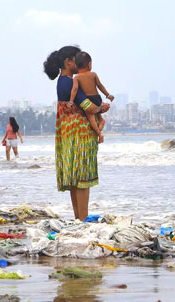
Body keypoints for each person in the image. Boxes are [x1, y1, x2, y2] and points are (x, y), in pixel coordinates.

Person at [44, 45, 111, 221]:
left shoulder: (63, 81)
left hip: (69, 134)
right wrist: (101, 108)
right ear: (68, 62)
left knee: (76, 180)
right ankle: (83, 220)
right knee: (83, 179)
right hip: (80, 134)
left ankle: (79, 219)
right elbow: (86, 105)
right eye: (76, 58)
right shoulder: (69, 82)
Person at [70, 51, 112, 143]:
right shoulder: (93, 74)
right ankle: (101, 120)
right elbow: (100, 86)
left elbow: (75, 89)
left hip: (88, 100)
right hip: (97, 98)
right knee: (97, 111)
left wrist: (71, 101)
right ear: (89, 64)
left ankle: (99, 134)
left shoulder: (77, 77)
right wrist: (108, 95)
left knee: (91, 117)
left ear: (76, 66)